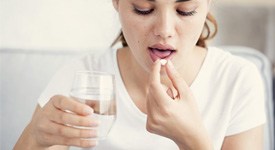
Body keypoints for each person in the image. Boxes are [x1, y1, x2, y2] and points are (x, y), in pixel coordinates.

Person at [14, 0, 266, 149]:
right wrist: (34, 138)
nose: (165, 31)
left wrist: (193, 141)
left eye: (185, 10)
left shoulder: (237, 79)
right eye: (143, 9)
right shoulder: (81, 78)